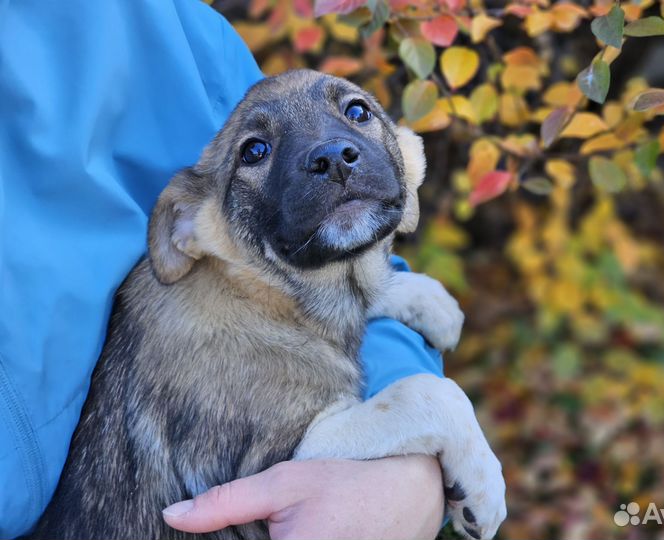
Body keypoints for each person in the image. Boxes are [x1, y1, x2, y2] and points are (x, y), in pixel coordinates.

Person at [0, 1, 448, 538]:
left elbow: (344, 261)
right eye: (256, 151)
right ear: (183, 230)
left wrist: (411, 462)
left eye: (355, 113)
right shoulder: (190, 309)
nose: (333, 153)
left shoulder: (154, 20)